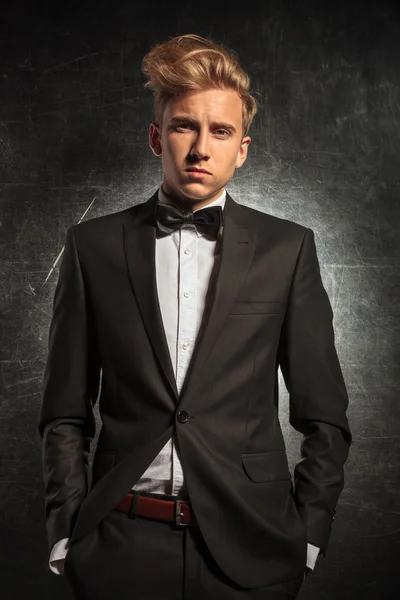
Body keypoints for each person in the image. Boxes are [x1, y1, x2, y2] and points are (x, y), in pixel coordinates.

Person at [38, 33, 352, 599]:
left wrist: (306, 536)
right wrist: (66, 530)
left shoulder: (289, 248)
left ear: (243, 148)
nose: (201, 148)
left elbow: (324, 416)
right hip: (119, 544)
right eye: (185, 126)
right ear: (157, 137)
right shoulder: (93, 246)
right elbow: (64, 409)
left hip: (253, 547)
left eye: (221, 131)